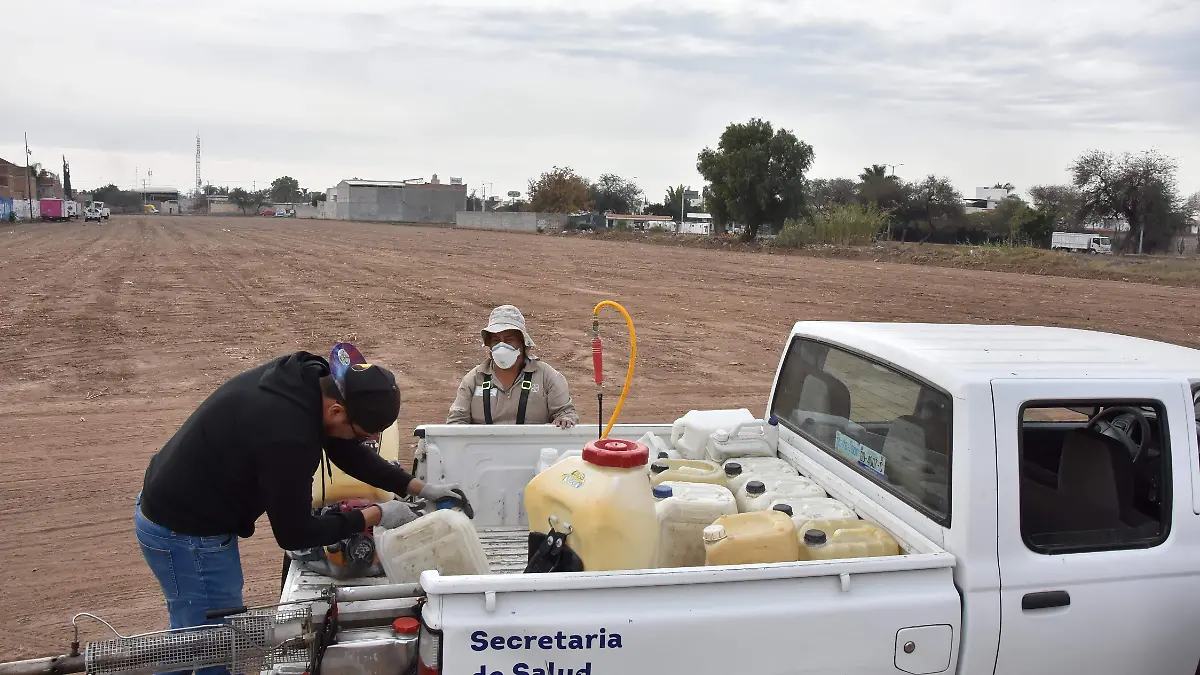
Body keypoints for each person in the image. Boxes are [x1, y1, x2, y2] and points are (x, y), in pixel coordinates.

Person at [135, 344, 466, 675]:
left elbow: (348, 451)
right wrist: (376, 515)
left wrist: (417, 487)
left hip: (174, 507)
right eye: (365, 434)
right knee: (216, 645)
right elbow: (294, 533)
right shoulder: (288, 437)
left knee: (190, 637)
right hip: (188, 533)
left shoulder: (311, 380)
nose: (367, 441)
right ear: (338, 411)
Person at [448, 305, 579, 427]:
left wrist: (565, 420)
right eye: (496, 340)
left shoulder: (547, 376)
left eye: (509, 340)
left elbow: (566, 413)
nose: (502, 345)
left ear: (522, 343)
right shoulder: (474, 379)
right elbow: (456, 421)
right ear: (489, 345)